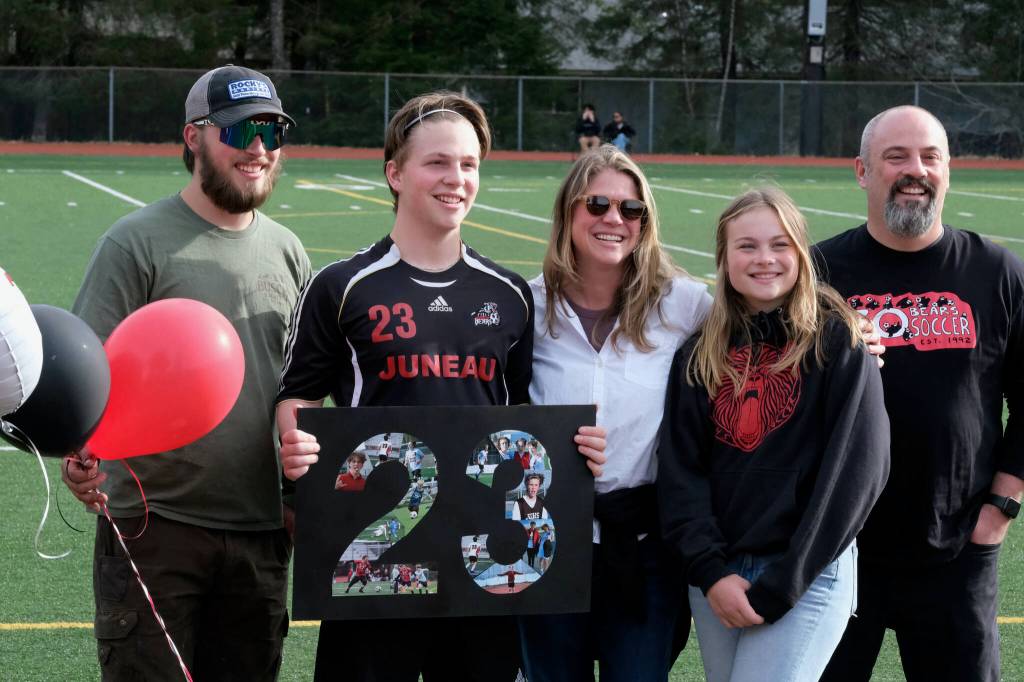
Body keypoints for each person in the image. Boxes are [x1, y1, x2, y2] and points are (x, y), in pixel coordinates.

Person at [273, 90, 605, 682]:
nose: (456, 179)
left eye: (469, 164)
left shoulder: (508, 295)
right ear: (395, 173)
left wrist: (575, 452)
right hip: (375, 560)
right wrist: (293, 444)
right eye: (437, 163)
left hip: (478, 562)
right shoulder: (342, 286)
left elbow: (522, 416)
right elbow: (298, 395)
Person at [59, 65, 309, 681]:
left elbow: (299, 391)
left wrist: (299, 500)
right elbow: (86, 371)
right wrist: (81, 454)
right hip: (155, 530)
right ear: (194, 136)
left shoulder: (290, 252)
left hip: (261, 535)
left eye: (271, 132)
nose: (257, 148)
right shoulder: (135, 243)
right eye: (240, 130)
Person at [818, 105, 1024, 682]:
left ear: (948, 171)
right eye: (896, 157)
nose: (916, 170)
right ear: (862, 171)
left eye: (930, 157)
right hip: (838, 548)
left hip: (955, 547)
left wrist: (1002, 507)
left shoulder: (996, 271)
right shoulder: (819, 273)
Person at [658, 187, 890, 681]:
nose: (765, 259)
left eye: (780, 244)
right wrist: (711, 572)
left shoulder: (839, 341)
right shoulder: (700, 353)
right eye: (747, 246)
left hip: (806, 573)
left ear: (801, 254)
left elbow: (857, 474)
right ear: (723, 259)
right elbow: (682, 472)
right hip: (718, 576)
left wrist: (785, 582)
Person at [518, 144, 711, 682]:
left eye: (631, 210)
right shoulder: (526, 308)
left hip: (645, 548)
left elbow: (767, 328)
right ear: (568, 213)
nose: (614, 219)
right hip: (545, 544)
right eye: (597, 204)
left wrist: (847, 333)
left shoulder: (684, 304)